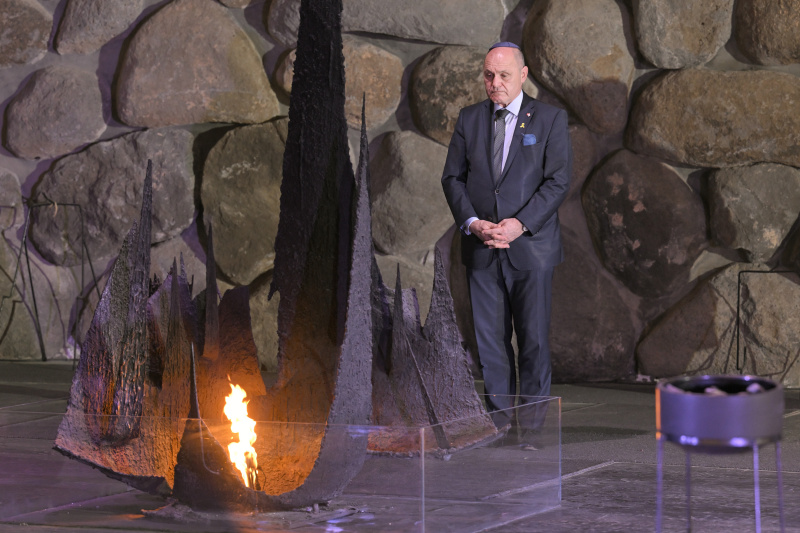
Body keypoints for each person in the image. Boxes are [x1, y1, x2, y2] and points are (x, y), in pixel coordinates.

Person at [441, 41, 571, 432]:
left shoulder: (550, 119)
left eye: (503, 76)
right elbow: (452, 178)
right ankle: (497, 428)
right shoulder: (469, 119)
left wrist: (519, 224)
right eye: (488, 75)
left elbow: (558, 181)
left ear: (524, 75)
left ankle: (529, 431)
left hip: (530, 250)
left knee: (531, 343)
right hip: (482, 248)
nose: (494, 83)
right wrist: (472, 222)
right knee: (491, 347)